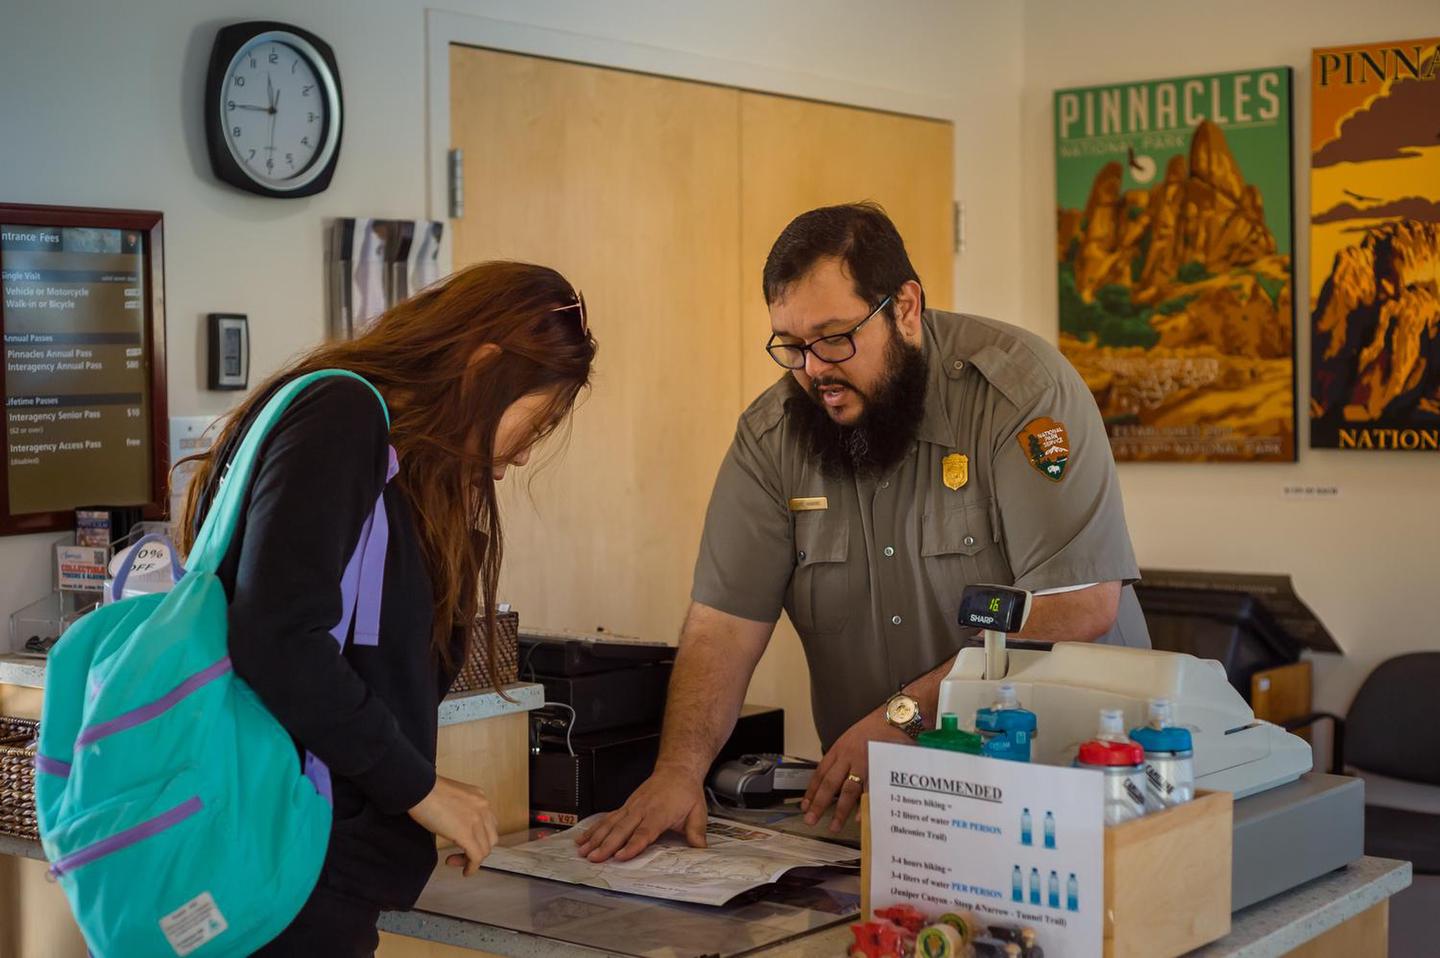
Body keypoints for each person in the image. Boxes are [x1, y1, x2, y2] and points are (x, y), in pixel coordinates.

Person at [577, 203, 1148, 863]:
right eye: (791, 345)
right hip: (893, 816)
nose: (814, 369)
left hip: (1071, 794)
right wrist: (678, 771)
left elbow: (1078, 604)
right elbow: (722, 627)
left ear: (905, 307)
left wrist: (907, 715)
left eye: (835, 337)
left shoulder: (1019, 394)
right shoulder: (772, 437)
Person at [176, 261, 596, 955]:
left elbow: (373, 666)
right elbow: (278, 634)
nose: (525, 455)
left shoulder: (397, 465)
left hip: (307, 866)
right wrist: (418, 787)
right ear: (483, 367)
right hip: (283, 863)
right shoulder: (341, 415)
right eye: (539, 420)